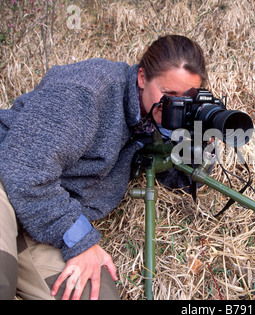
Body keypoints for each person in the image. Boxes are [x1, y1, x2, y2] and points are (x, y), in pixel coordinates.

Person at [0, 34, 208, 300]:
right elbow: (24, 170)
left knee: (97, 296)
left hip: (42, 213)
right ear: (142, 77)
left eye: (186, 99)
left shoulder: (153, 117)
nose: (175, 106)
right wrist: (80, 241)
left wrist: (200, 143)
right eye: (169, 94)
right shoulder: (86, 93)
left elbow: (178, 179)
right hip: (7, 178)